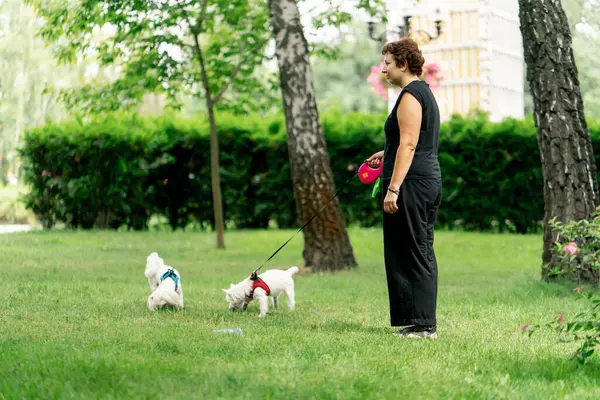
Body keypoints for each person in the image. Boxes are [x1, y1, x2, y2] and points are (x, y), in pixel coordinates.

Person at [366, 37, 442, 339]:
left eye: (387, 63)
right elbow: (413, 140)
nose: (384, 69)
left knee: (416, 251)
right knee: (409, 249)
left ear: (403, 63)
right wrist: (387, 152)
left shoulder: (411, 95)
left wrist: (393, 188)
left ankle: (425, 325)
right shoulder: (421, 93)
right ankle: (416, 321)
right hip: (421, 179)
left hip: (413, 184)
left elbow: (410, 144)